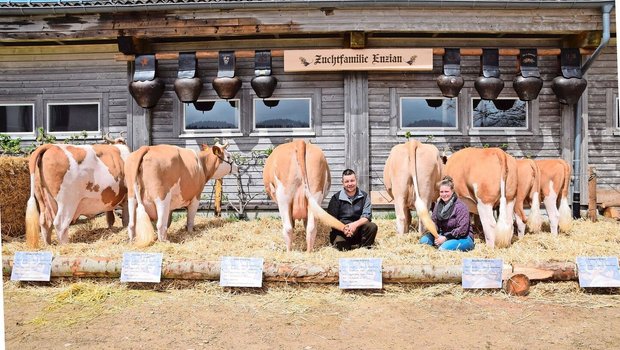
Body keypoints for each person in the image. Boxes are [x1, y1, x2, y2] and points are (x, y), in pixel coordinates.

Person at [327, 169, 378, 251]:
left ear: (356, 180)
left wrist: (354, 225)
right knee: (343, 248)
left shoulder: (364, 196)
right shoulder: (336, 198)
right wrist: (344, 228)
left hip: (359, 232)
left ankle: (364, 248)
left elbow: (367, 216)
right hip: (342, 232)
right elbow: (331, 219)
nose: (350, 184)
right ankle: (345, 246)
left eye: (352, 181)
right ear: (342, 182)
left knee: (372, 226)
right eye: (346, 181)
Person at [419, 176, 475, 251]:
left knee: (443, 248)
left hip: (462, 237)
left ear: (452, 191)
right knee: (423, 241)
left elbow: (462, 230)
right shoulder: (438, 205)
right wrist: (432, 229)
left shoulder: (461, 207)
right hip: (442, 235)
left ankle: (448, 244)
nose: (444, 194)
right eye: (441, 192)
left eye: (446, 191)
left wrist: (445, 238)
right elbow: (434, 221)